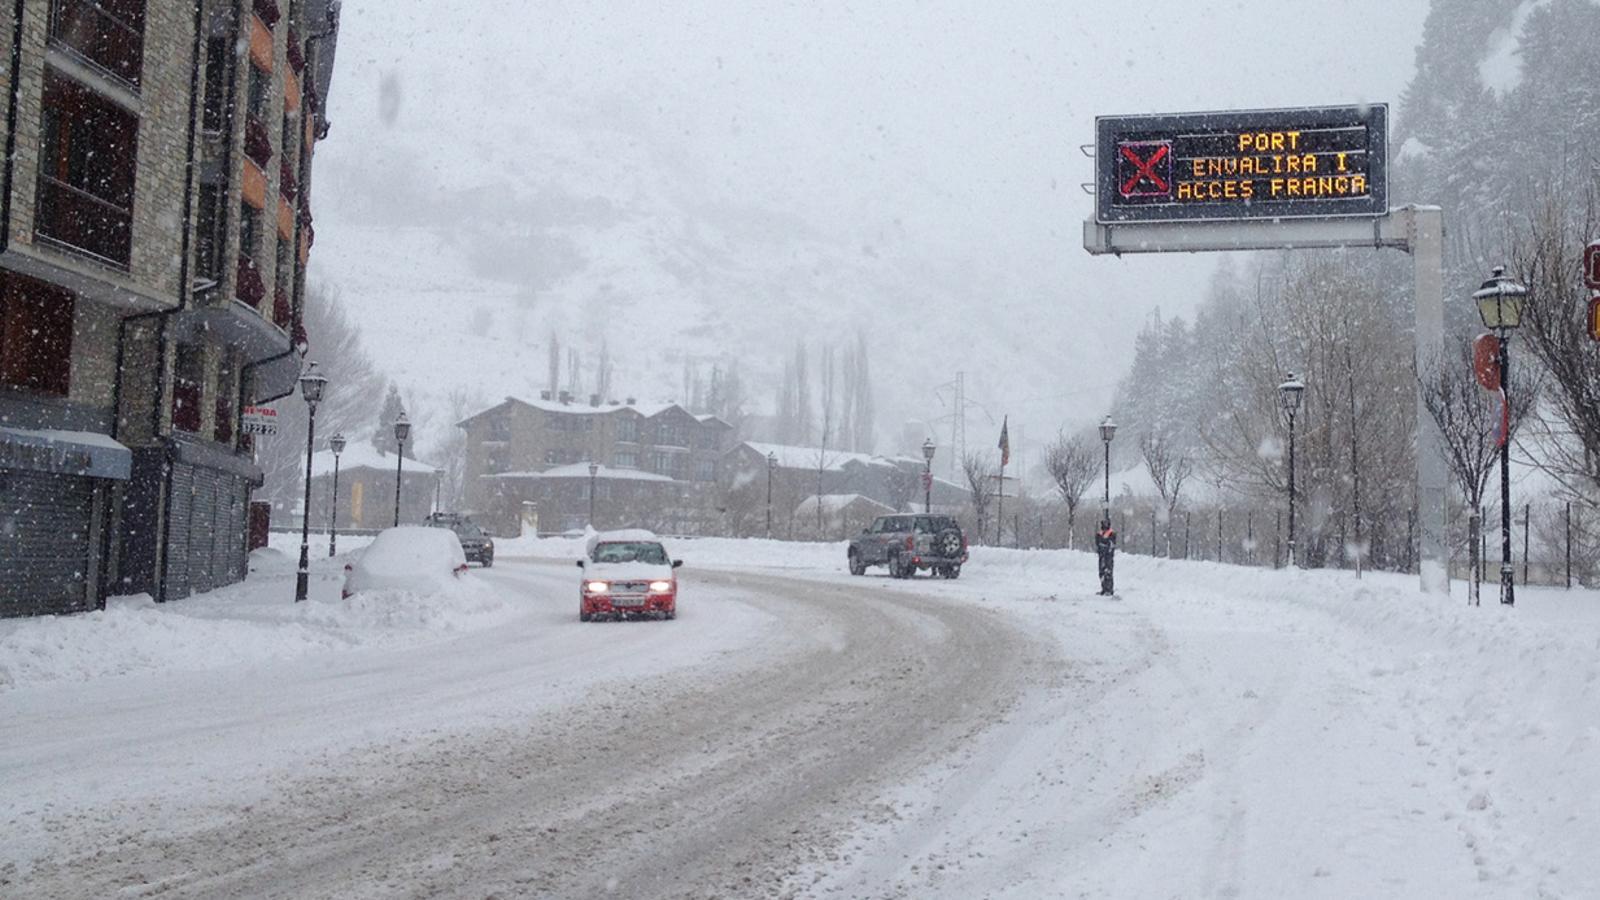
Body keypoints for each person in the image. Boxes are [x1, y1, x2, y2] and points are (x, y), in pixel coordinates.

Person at [1095, 519, 1117, 595]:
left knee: (1108, 572)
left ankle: (1109, 589)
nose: (1105, 525)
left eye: (1106, 523)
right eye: (1104, 523)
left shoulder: (1111, 533)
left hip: (1108, 556)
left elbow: (1111, 545)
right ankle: (1104, 588)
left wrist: (1104, 547)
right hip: (1101, 556)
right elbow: (1097, 543)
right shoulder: (1099, 533)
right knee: (1101, 572)